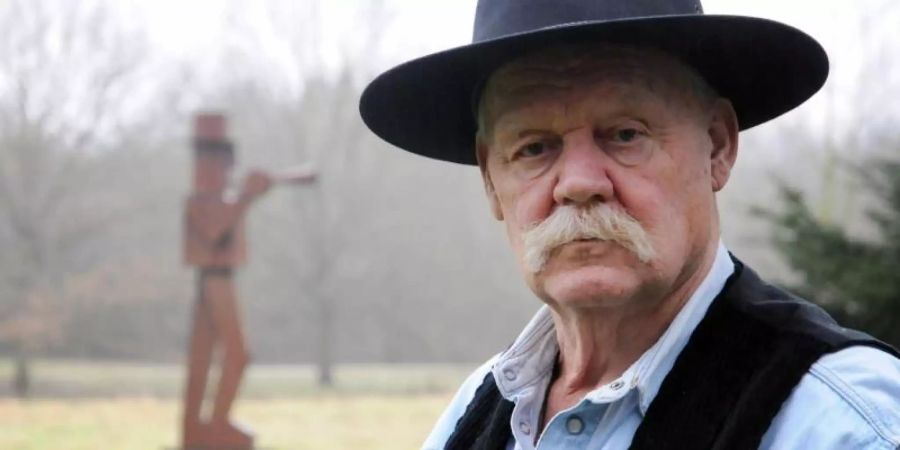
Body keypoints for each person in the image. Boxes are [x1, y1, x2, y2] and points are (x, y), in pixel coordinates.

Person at [359, 1, 900, 449]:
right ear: (490, 180)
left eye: (624, 134)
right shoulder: (473, 417)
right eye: (534, 148)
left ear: (717, 145)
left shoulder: (845, 425)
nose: (578, 182)